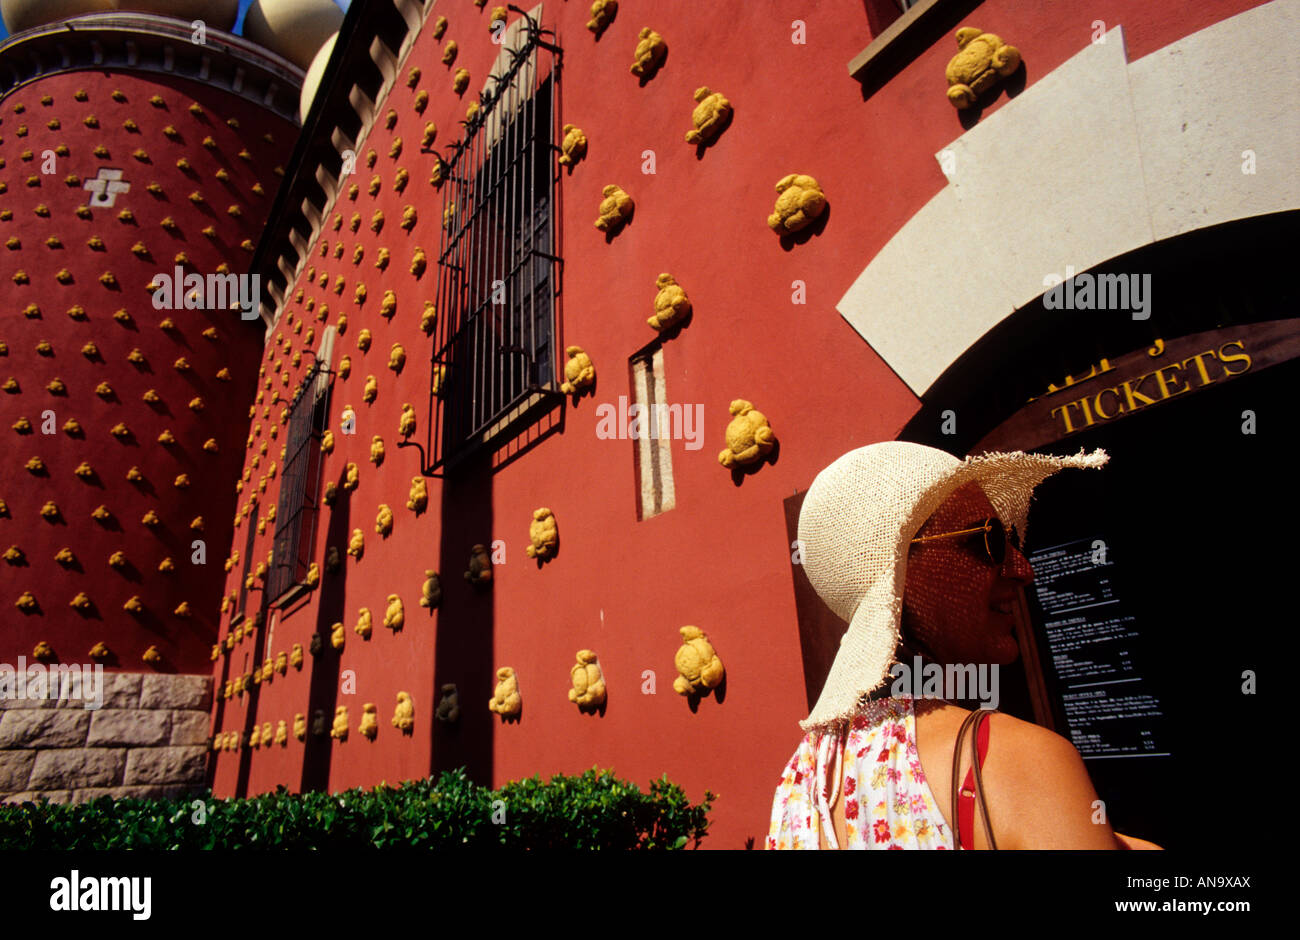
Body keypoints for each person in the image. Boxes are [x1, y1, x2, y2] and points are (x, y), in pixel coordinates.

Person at [767, 441, 1159, 850]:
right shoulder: (1011, 759)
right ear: (906, 569)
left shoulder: (800, 783)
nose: (1022, 569)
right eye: (988, 540)